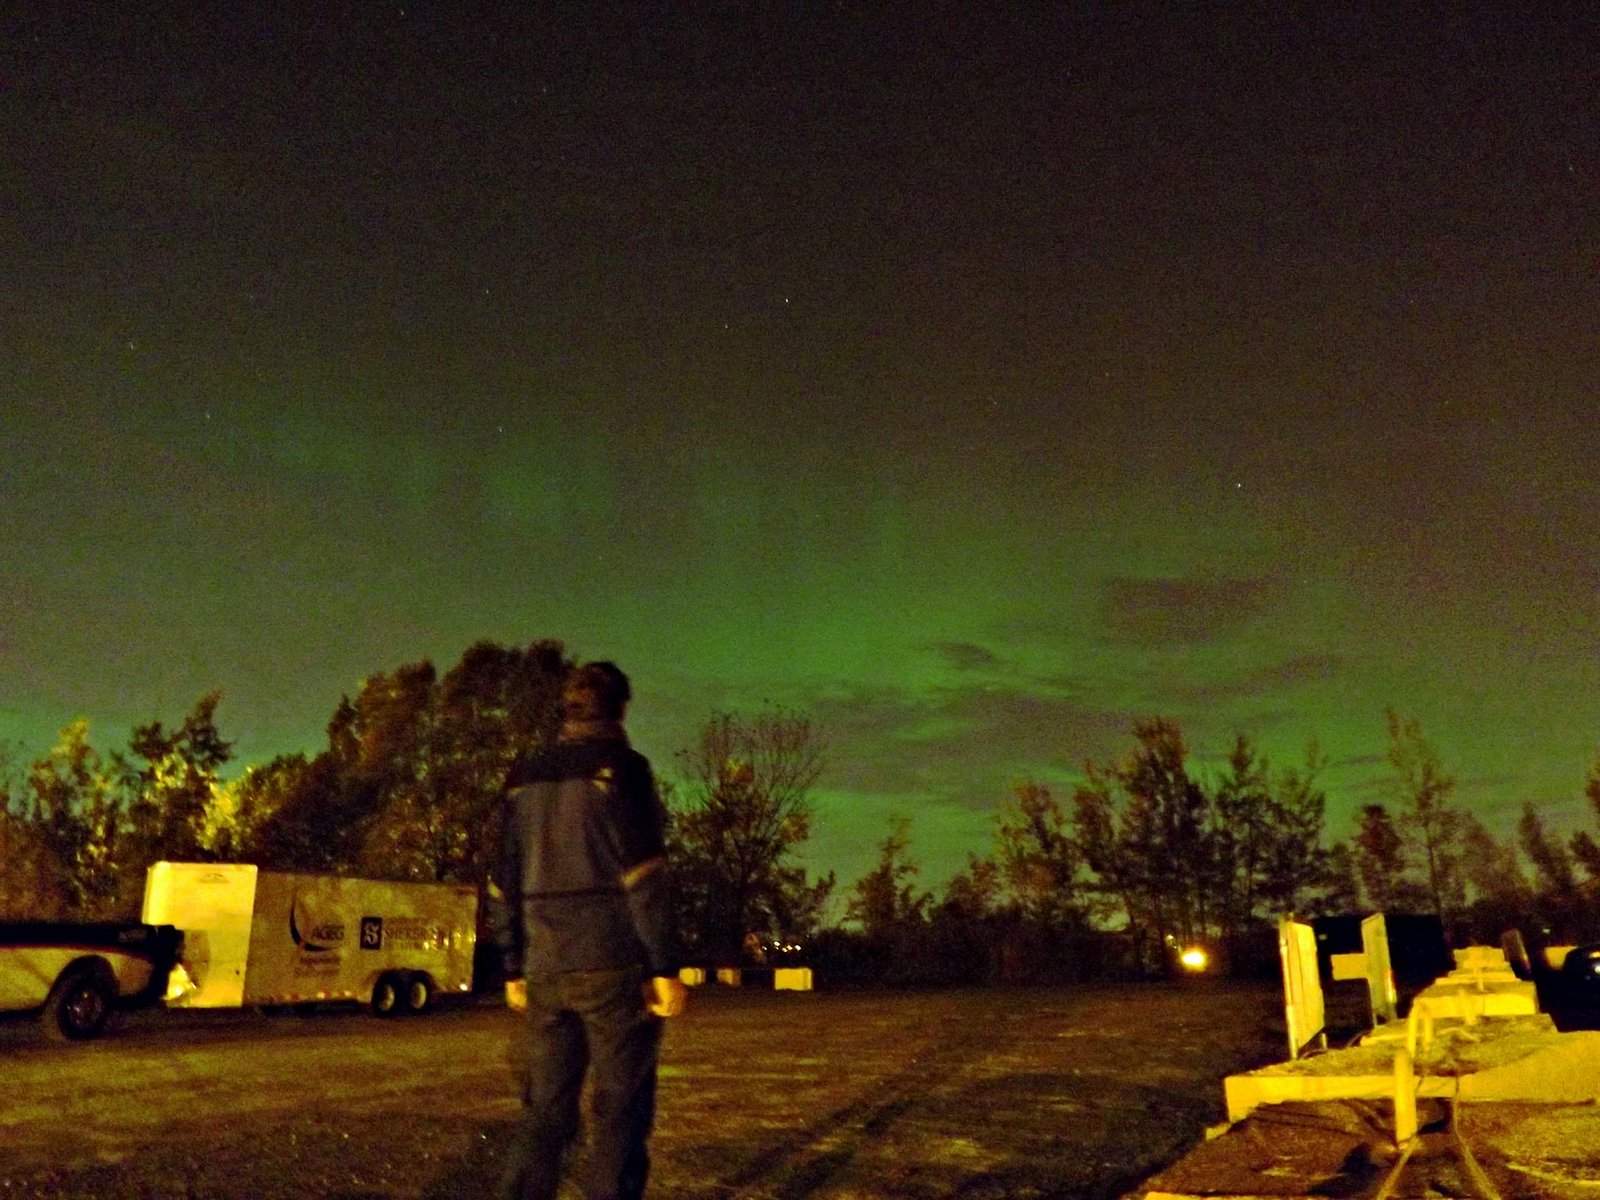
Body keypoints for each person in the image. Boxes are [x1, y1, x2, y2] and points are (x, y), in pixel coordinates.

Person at [487, 660, 688, 1200]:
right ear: (621, 708)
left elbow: (502, 879)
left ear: (569, 708)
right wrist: (665, 966)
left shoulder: (522, 777)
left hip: (544, 965)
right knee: (620, 1112)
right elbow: (644, 876)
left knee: (544, 1113)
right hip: (612, 966)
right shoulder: (624, 770)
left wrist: (512, 963)